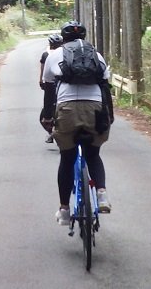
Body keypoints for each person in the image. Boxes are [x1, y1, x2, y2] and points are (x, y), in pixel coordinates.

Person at [41, 20, 112, 226]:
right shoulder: (96, 55)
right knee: (93, 154)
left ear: (63, 39)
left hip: (67, 109)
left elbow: (48, 88)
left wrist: (47, 116)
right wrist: (108, 116)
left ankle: (64, 211)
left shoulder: (55, 55)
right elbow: (105, 87)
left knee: (67, 158)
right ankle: (102, 194)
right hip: (95, 108)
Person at [39, 33, 62, 143]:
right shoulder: (65, 54)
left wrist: (41, 81)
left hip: (51, 84)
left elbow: (43, 70)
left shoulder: (46, 55)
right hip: (64, 86)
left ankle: (51, 133)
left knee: (44, 115)